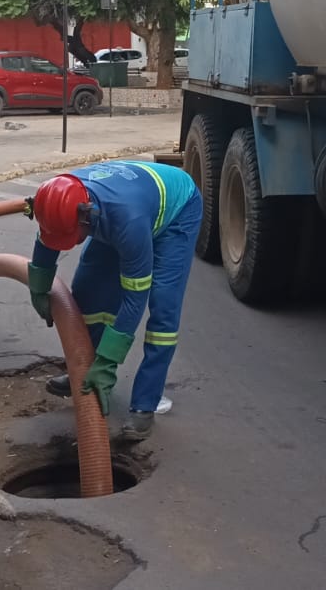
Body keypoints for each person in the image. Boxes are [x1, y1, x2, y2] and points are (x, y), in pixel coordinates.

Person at [23, 160, 202, 441]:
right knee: (87, 288)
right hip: (126, 199)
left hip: (177, 211)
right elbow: (47, 242)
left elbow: (134, 298)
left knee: (163, 307)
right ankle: (83, 372)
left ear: (86, 217)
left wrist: (108, 361)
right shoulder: (60, 199)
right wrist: (39, 289)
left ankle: (144, 405)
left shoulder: (128, 224)